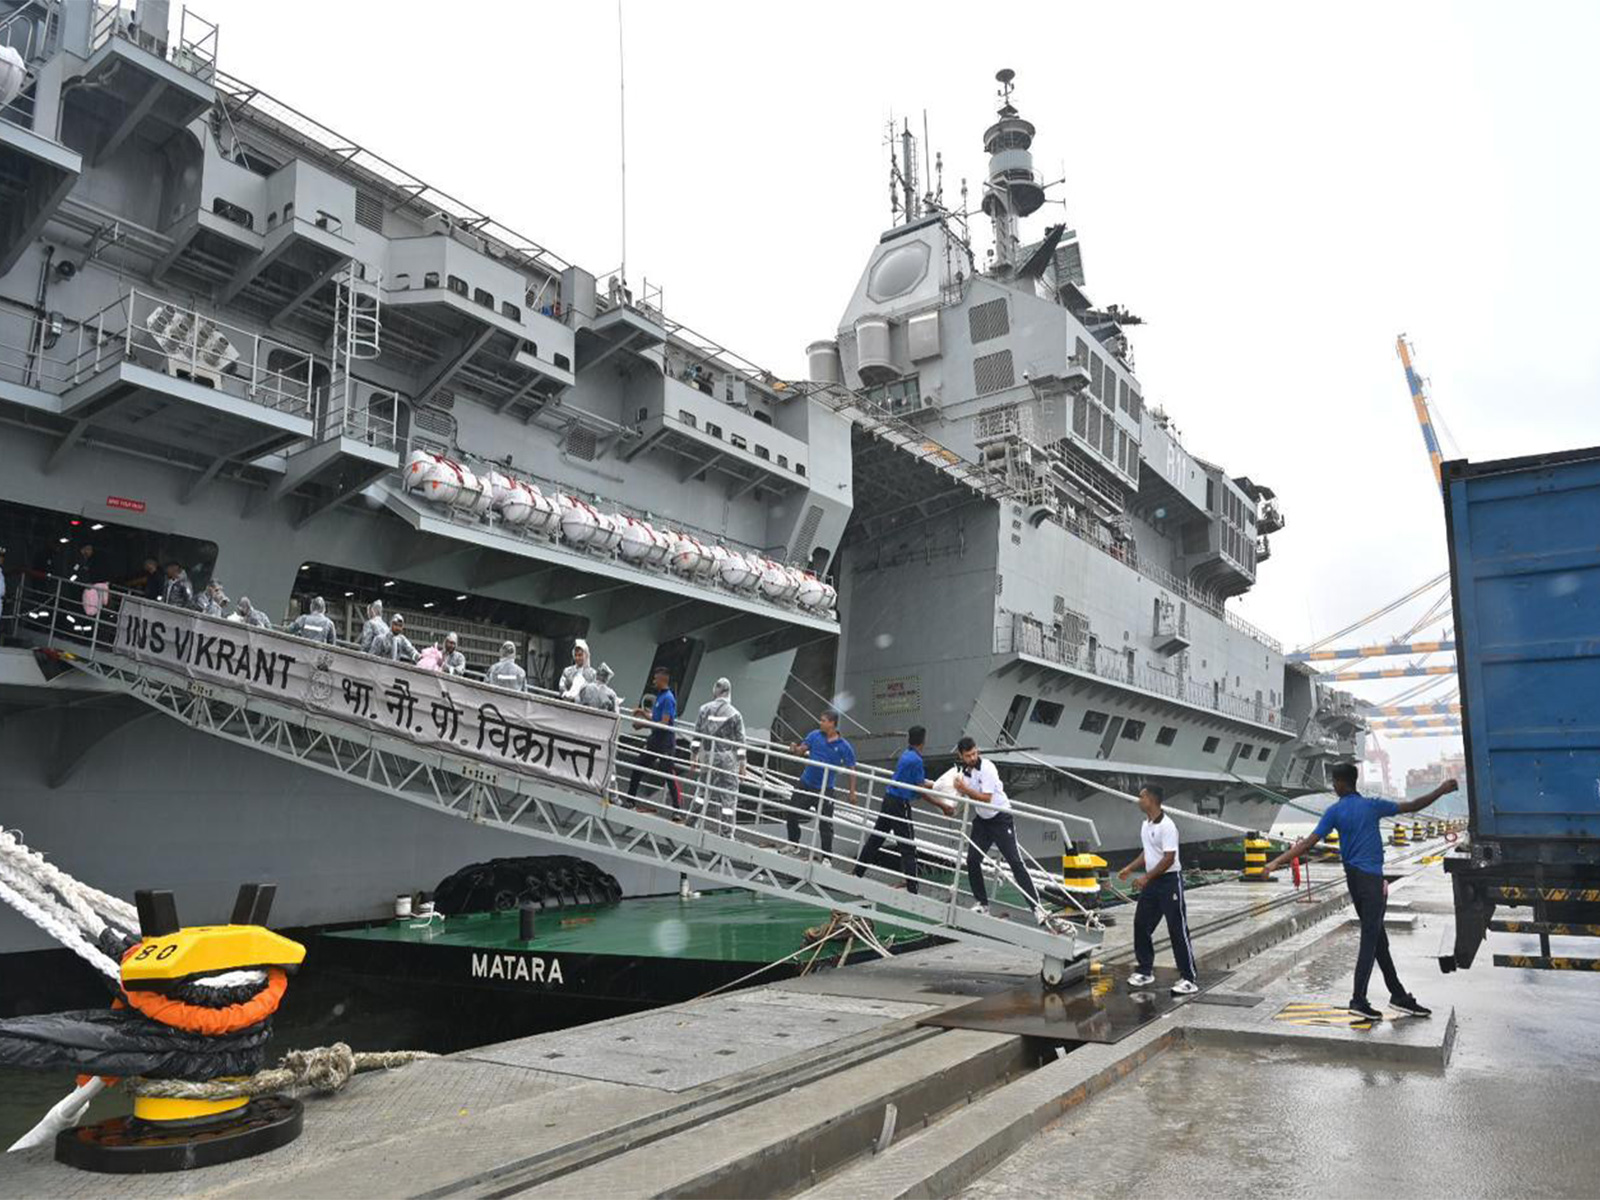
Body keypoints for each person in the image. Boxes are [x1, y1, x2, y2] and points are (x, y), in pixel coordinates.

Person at [1261, 763, 1458, 1020]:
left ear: (1343, 783)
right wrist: (1441, 790)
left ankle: (1398, 995)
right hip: (1371, 881)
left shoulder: (1334, 811)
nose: (1333, 786)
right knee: (1370, 939)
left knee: (1378, 941)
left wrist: (1276, 862)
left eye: (1334, 782)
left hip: (1354, 880)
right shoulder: (1372, 806)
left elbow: (1308, 843)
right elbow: (1413, 805)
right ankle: (1359, 999)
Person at [953, 736, 1048, 923]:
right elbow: (959, 794)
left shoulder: (987, 767)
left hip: (1000, 817)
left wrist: (964, 788)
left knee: (1015, 861)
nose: (972, 758)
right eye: (968, 755)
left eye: (974, 753)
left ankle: (1037, 908)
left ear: (977, 750)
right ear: (961, 755)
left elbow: (986, 798)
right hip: (982, 820)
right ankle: (982, 903)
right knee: (972, 860)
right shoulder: (963, 772)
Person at [1117, 785, 1199, 995]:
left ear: (1152, 799)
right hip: (1153, 882)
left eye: (1141, 796)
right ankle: (1145, 970)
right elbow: (1148, 853)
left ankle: (1188, 978)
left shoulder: (1168, 826)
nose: (1139, 800)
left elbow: (1169, 858)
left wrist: (1145, 877)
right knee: (1141, 924)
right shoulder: (1146, 824)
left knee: (1177, 928)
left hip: (1169, 881)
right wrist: (1130, 868)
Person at [854, 726, 953, 894]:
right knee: (908, 846)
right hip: (900, 804)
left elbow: (917, 781)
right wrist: (943, 805)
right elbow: (921, 790)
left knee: (876, 839)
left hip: (889, 800)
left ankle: (857, 872)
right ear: (923, 741)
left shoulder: (906, 755)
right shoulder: (916, 760)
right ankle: (912, 886)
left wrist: (937, 784)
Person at [787, 710, 857, 857]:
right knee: (792, 812)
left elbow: (852, 768)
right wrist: (795, 749)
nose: (821, 723)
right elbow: (801, 750)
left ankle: (827, 857)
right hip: (806, 783)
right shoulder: (814, 735)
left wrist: (852, 792)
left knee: (825, 824)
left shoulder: (844, 746)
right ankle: (793, 844)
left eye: (823, 720)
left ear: (832, 723)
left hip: (826, 789)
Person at [626, 665, 682, 812]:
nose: (653, 681)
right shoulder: (660, 696)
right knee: (638, 767)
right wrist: (643, 714)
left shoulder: (668, 698)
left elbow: (664, 723)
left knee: (668, 774)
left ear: (663, 679)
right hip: (655, 740)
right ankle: (630, 800)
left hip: (665, 743)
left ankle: (677, 809)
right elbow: (656, 717)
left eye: (656, 678)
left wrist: (643, 725)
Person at [692, 678, 747, 828]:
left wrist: (694, 756)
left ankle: (691, 822)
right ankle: (726, 833)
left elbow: (697, 737)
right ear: (729, 692)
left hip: (708, 756)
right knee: (728, 798)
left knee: (702, 792)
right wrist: (742, 764)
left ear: (716, 690)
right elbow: (740, 742)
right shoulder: (735, 714)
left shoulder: (704, 709)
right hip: (727, 760)